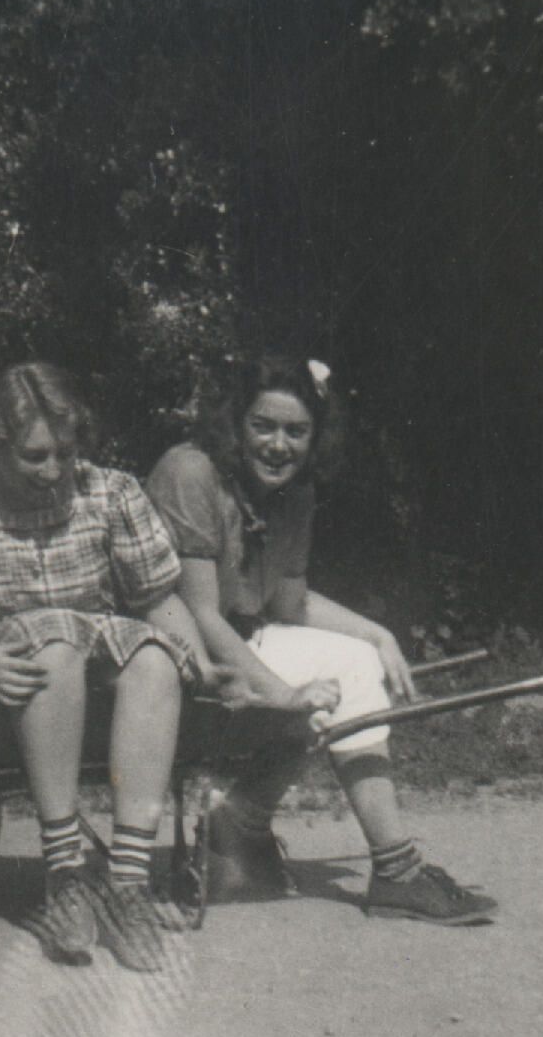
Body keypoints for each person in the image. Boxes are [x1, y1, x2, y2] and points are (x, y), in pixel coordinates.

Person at [0, 362, 228, 969]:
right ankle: (65, 873)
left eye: (65, 454)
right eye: (34, 457)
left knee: (155, 659)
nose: (53, 471)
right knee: (55, 648)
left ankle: (127, 882)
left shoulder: (111, 494)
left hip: (99, 640)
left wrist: (197, 662)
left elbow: (155, 597)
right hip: (14, 656)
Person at [144, 352, 497, 924]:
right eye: (263, 426)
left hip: (234, 642)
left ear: (315, 436)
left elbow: (290, 602)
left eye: (296, 431)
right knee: (338, 679)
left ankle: (241, 825)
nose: (278, 445)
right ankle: (393, 869)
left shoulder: (294, 493)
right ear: (235, 424)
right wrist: (284, 694)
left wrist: (378, 635)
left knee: (355, 661)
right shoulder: (191, 473)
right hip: (168, 652)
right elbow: (200, 615)